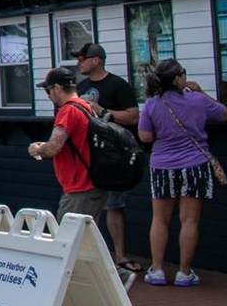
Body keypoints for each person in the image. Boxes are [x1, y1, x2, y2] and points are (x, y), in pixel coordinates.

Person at [138, 60, 227, 287]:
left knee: (160, 219)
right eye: (183, 74)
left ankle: (157, 270)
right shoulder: (197, 100)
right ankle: (184, 272)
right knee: (189, 220)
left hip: (162, 165)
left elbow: (145, 137)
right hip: (195, 164)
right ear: (178, 79)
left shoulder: (151, 104)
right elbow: (223, 114)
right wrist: (201, 91)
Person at [75, 42, 143, 274]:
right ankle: (89, 256)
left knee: (114, 205)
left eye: (82, 58)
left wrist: (104, 112)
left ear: (96, 60)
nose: (79, 63)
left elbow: (134, 117)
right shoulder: (80, 86)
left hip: (112, 156)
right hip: (86, 154)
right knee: (86, 204)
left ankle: (120, 255)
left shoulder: (118, 85)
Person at [27, 67, 105, 221]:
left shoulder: (68, 110)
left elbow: (53, 148)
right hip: (93, 184)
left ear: (57, 88)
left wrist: (37, 149)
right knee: (86, 240)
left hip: (80, 188)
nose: (48, 95)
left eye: (48, 90)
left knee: (68, 240)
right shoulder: (86, 106)